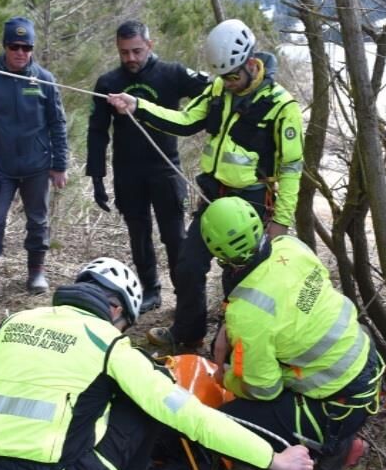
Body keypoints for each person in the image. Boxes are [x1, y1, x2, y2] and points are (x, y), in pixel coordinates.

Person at [0, 257, 314, 470]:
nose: (123, 330)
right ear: (115, 309)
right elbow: (189, 415)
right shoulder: (109, 344)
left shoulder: (13, 323)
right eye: (125, 322)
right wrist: (273, 458)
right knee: (144, 405)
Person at [107, 19, 304, 350]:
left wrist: (281, 221)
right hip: (214, 196)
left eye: (232, 77)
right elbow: (185, 122)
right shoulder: (218, 90)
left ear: (250, 63)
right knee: (188, 264)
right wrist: (138, 106)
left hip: (252, 202)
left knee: (242, 276)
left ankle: (238, 346)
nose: (226, 84)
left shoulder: (281, 106)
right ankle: (188, 334)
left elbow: (292, 167)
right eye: (222, 77)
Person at [198, 196, 385, 470]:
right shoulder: (291, 246)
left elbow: (263, 389)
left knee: (221, 425)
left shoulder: (248, 312)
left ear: (215, 252)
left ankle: (332, 450)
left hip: (340, 404)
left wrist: (228, 378)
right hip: (365, 362)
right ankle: (336, 436)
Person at [87, 20, 210, 312]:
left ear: (150, 45)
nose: (130, 58)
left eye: (137, 51)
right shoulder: (108, 83)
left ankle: (183, 293)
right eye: (124, 52)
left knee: (174, 235)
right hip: (128, 171)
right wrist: (96, 177)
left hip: (165, 168)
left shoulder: (173, 73)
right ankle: (150, 290)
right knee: (138, 234)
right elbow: (97, 131)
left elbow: (212, 93)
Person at [0, 16, 68, 302]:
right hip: (0, 168)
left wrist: (60, 164)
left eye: (26, 46)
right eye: (14, 46)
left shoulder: (44, 79)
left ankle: (36, 272)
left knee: (38, 220)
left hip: (37, 165)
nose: (20, 52)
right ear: (5, 46)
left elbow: (58, 123)